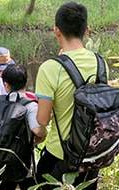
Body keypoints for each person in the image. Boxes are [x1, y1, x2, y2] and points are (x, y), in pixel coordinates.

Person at [34, 2, 109, 189]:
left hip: (60, 155)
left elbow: (42, 120)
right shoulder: (101, 63)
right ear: (87, 30)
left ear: (56, 30)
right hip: (92, 154)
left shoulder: (50, 68)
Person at [0, 64, 47, 190]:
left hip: (1, 159)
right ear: (26, 82)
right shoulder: (30, 106)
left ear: (6, 85)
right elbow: (37, 130)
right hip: (24, 161)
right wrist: (43, 135)